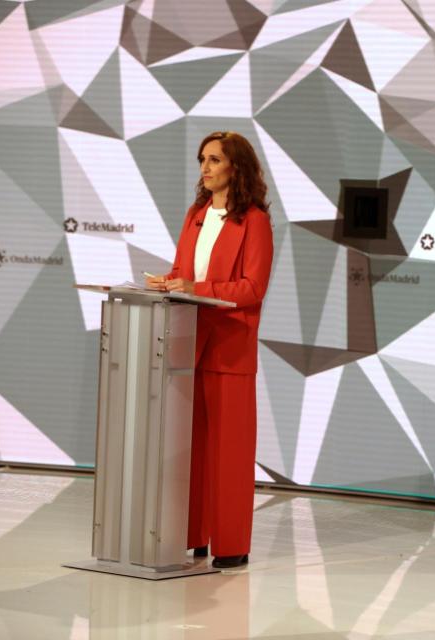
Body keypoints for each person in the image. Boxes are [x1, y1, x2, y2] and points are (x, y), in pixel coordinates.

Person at [146, 131, 274, 569]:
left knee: (230, 453)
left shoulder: (254, 220)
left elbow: (253, 288)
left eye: (214, 159)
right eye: (202, 159)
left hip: (230, 349)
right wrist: (168, 282)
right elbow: (185, 271)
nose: (205, 167)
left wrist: (195, 287)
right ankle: (194, 535)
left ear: (235, 167)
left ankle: (231, 544)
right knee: (191, 448)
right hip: (190, 347)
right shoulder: (196, 214)